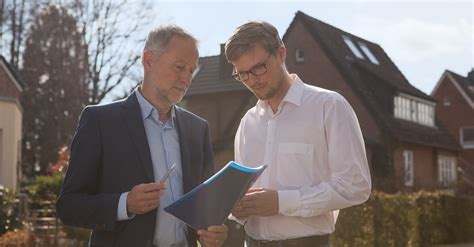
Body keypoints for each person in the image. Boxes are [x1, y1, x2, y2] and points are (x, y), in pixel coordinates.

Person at [57, 25, 228, 247]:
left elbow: (207, 209)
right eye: (179, 67)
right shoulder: (100, 121)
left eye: (191, 71)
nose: (186, 79)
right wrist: (124, 203)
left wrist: (215, 232)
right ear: (148, 60)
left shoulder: (198, 128)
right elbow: (69, 206)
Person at [225, 21, 371, 247]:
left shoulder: (329, 106)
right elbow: (243, 196)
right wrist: (234, 206)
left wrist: (281, 202)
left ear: (281, 53)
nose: (252, 80)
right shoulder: (247, 122)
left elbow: (355, 185)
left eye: (258, 68)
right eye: (243, 74)